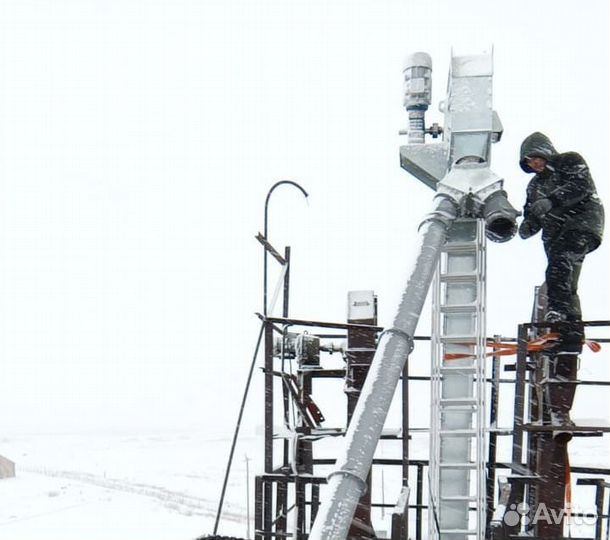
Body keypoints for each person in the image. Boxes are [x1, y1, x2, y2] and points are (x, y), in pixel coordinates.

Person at [518, 132, 605, 440]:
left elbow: (581, 187)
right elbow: (532, 216)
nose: (536, 164)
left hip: (580, 223)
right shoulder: (534, 185)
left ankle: (559, 315)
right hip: (556, 235)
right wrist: (526, 224)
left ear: (546, 153)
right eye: (530, 162)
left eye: (538, 158)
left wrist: (551, 201)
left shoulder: (570, 161)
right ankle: (570, 324)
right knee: (565, 281)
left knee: (559, 268)